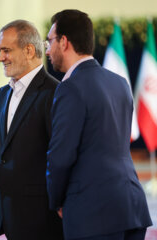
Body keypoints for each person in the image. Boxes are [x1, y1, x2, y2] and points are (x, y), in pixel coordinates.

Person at [45, 9, 152, 240]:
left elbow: (61, 155)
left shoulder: (70, 87)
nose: (47, 49)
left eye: (49, 41)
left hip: (93, 213)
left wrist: (56, 200)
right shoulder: (120, 83)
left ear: (64, 42)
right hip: (132, 205)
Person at [0, 20, 63, 239]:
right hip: (8, 216)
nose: (0, 58)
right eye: (0, 51)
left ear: (29, 50)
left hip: (43, 219)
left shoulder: (55, 93)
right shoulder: (1, 95)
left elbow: (60, 157)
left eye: (6, 51)